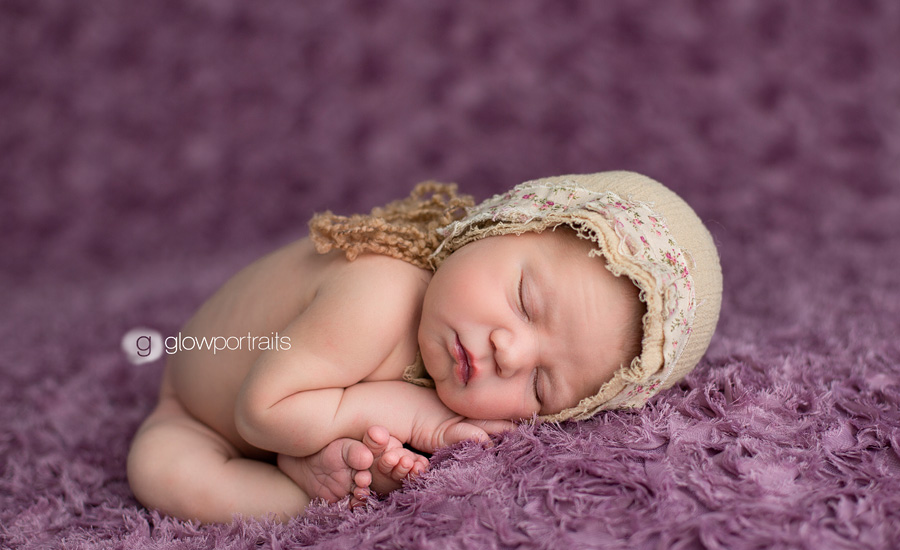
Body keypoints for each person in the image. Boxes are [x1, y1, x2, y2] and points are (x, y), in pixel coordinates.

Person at [127, 171, 722, 523]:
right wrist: (415, 418)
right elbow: (260, 413)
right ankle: (305, 474)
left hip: (298, 405)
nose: (511, 354)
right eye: (524, 301)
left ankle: (314, 468)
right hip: (199, 410)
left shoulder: (452, 356)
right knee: (161, 472)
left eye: (541, 386)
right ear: (498, 225)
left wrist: (381, 461)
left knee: (367, 476)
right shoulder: (382, 292)